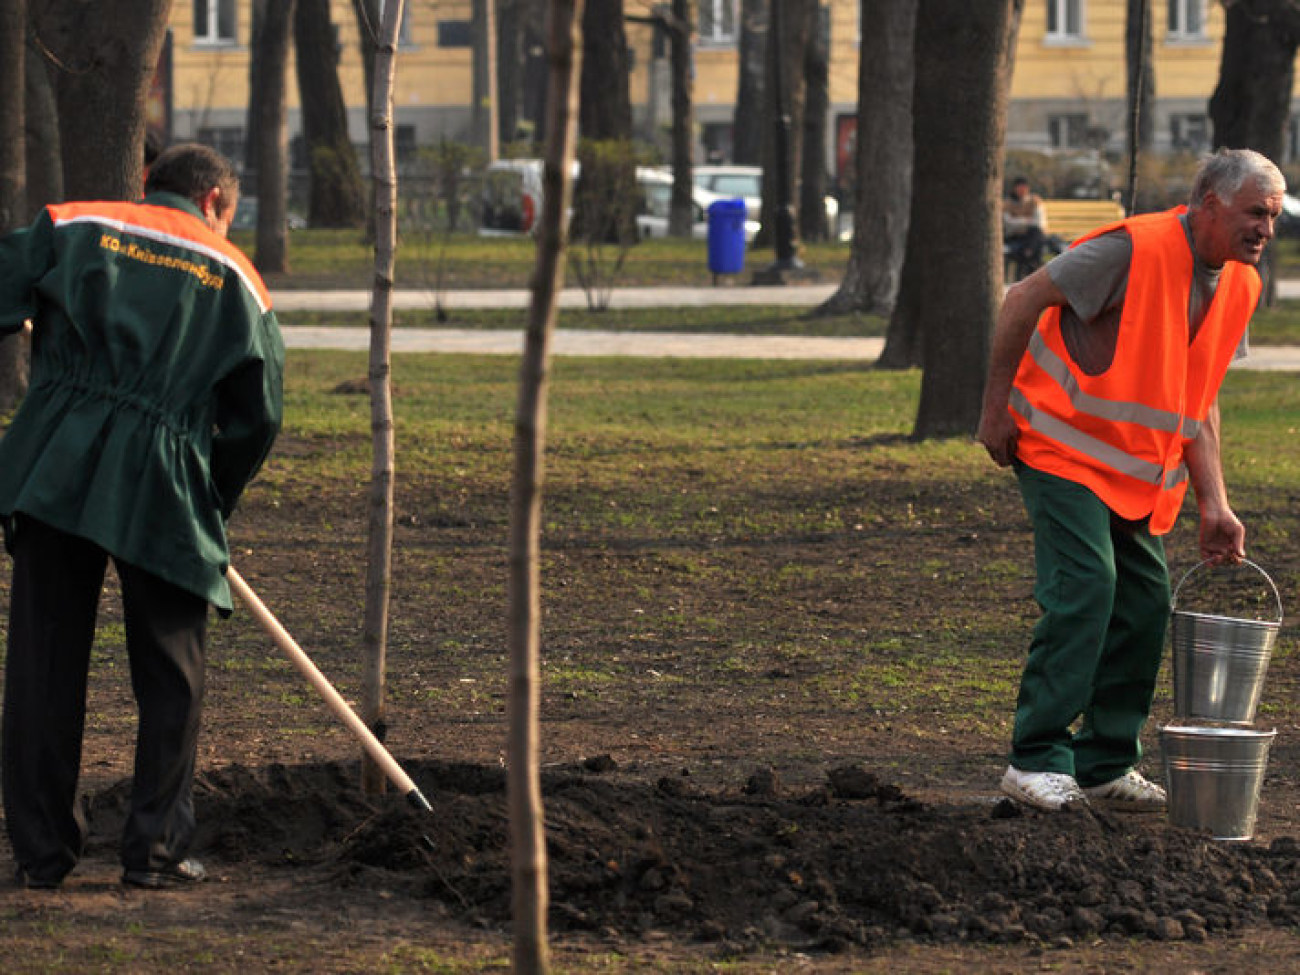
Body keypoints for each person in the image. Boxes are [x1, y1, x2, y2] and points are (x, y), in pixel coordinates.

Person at [0, 143, 284, 888]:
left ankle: (41, 853)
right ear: (216, 201)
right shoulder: (237, 280)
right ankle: (154, 852)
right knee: (171, 674)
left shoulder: (75, 223)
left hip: (55, 463)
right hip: (164, 480)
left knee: (43, 663)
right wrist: (211, 499)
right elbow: (258, 418)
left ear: (149, 186)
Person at [977, 148, 1284, 813]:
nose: (1266, 227)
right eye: (1254, 212)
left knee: (1145, 604)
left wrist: (1215, 504)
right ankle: (1034, 759)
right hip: (1059, 445)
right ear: (1208, 205)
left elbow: (1198, 398)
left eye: (1275, 215)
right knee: (1089, 584)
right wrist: (995, 405)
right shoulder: (1130, 249)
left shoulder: (1239, 284)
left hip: (1132, 472)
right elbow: (1024, 296)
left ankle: (1103, 763)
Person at [1003, 176, 1049, 279]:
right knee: (1036, 236)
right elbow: (1008, 223)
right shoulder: (1007, 203)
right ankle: (1033, 263)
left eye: (1024, 187)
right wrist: (1027, 220)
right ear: (1014, 188)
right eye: (1019, 187)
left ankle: (1028, 254)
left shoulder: (1035, 201)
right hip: (1015, 237)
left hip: (1032, 236)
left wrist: (1019, 221)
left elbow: (1039, 222)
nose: (1022, 190)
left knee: (1036, 232)